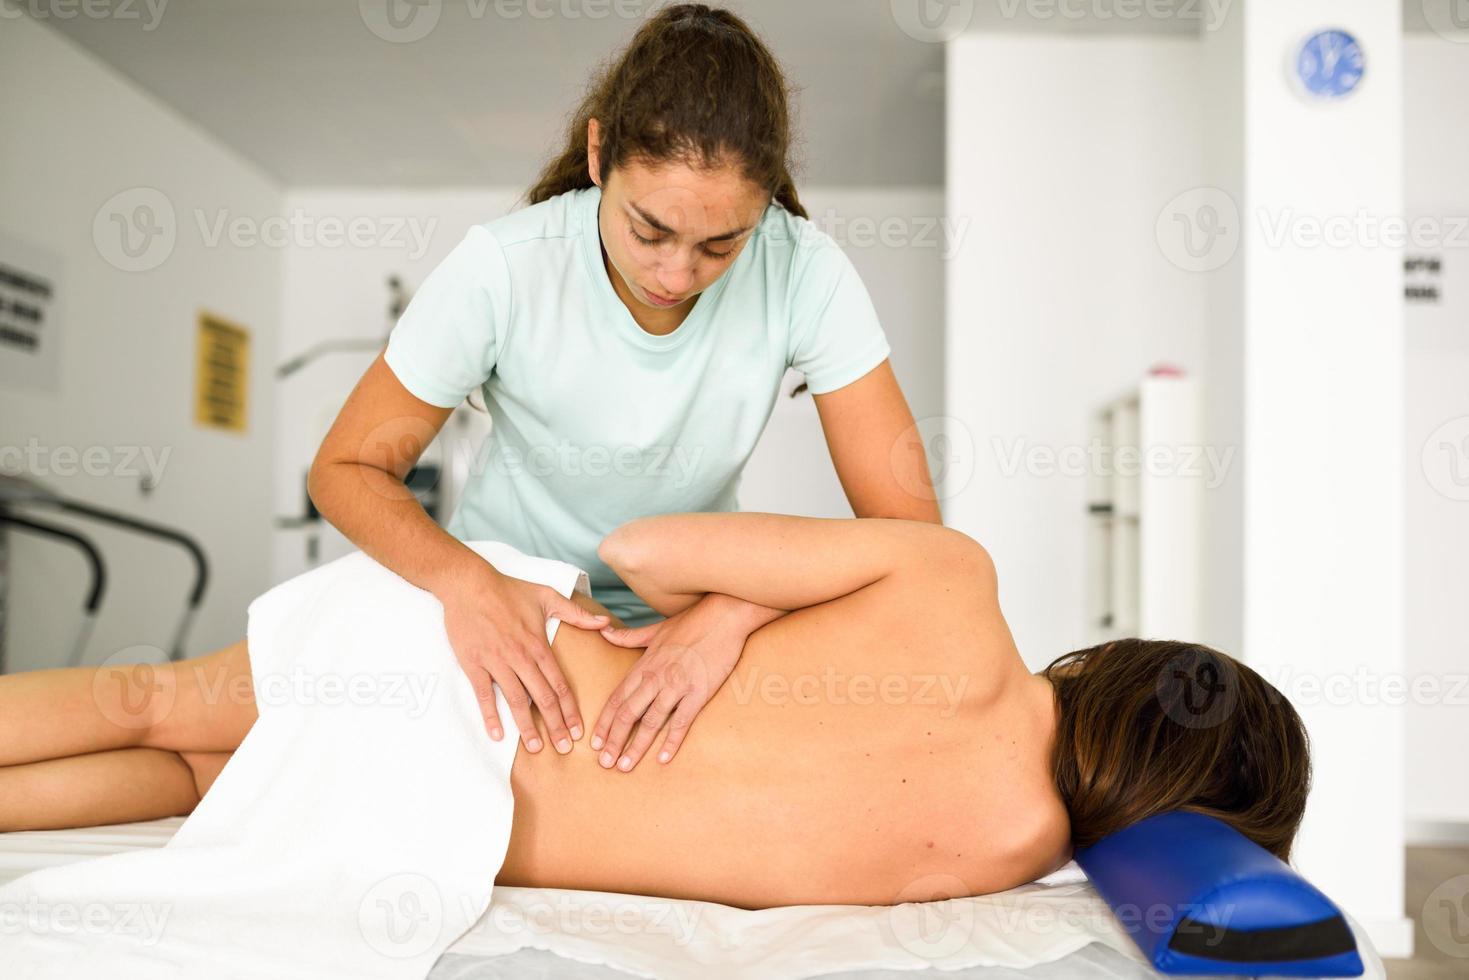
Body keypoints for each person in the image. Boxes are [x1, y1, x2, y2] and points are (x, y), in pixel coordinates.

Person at [0, 515, 1311, 909]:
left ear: (1126, 669)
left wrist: (739, 610)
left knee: (153, 698)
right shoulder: (1011, 859)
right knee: (186, 782)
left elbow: (646, 547)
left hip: (486, 664)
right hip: (441, 824)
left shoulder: (950, 580)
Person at [307, 3, 941, 773]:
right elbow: (344, 470)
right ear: (599, 154)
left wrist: (734, 611)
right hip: (507, 599)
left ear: (766, 201)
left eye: (721, 244)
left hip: (688, 619)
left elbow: (911, 539)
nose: (677, 276)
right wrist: (467, 586)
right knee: (256, 742)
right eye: (648, 231)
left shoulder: (805, 270)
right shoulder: (503, 268)